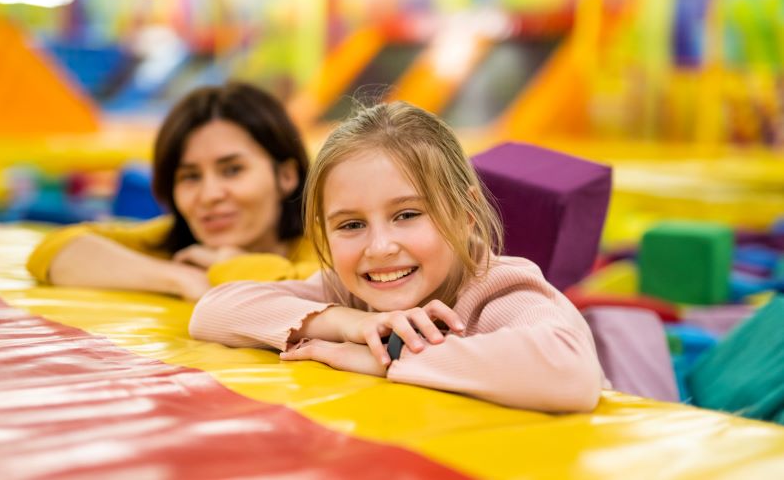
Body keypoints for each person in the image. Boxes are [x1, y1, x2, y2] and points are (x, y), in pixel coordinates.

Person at [189, 102, 605, 412]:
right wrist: (349, 322)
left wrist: (388, 357)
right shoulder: (348, 292)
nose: (380, 247)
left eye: (406, 215)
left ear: (466, 214)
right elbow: (212, 311)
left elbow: (571, 373)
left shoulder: (498, 288)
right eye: (351, 225)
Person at [26, 83, 319, 301]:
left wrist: (229, 266)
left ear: (286, 176)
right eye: (190, 177)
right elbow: (54, 250)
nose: (209, 195)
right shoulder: (180, 247)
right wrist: (179, 278)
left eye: (232, 170)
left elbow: (321, 290)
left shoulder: (328, 241)